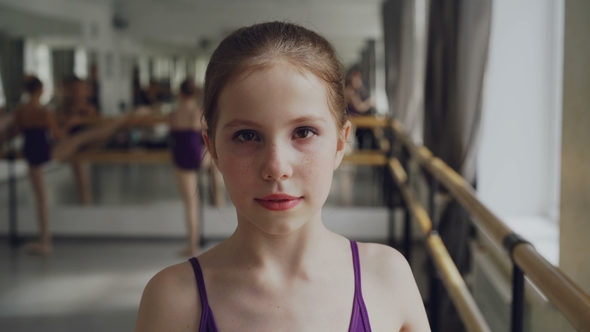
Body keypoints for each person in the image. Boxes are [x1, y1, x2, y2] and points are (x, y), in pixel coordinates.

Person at [135, 22, 429, 331]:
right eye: (247, 136)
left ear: (341, 143)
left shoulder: (387, 278)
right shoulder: (174, 301)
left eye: (304, 132)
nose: (276, 167)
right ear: (214, 149)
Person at [13, 76, 62, 255]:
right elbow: (56, 134)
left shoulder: (21, 111)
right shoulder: (44, 112)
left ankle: (45, 239)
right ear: (39, 90)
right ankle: (45, 240)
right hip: (42, 150)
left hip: (30, 151)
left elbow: (17, 131)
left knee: (40, 198)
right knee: (41, 199)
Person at [169, 78, 204, 257]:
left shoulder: (174, 113)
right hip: (195, 152)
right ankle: (194, 244)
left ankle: (193, 246)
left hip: (181, 153)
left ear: (181, 93)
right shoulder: (197, 112)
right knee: (194, 203)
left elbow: (173, 133)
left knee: (190, 203)